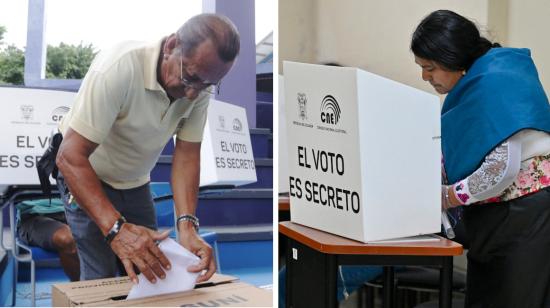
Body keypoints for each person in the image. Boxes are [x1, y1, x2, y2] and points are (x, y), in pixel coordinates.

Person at [54, 13, 240, 284]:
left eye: (206, 85)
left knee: (154, 270)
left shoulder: (198, 86)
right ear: (171, 46)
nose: (192, 94)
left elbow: (187, 154)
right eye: (189, 77)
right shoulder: (119, 68)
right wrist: (116, 229)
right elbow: (69, 157)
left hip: (135, 182)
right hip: (86, 174)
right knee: (101, 279)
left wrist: (186, 226)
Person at [411, 10, 550, 307]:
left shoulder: (496, 83)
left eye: (430, 67)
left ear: (454, 59)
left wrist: (447, 197)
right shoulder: (476, 84)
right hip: (497, 217)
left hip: (521, 216)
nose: (425, 77)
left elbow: (501, 169)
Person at [16, 198, 80, 281]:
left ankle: (95, 289)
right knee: (66, 238)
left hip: (76, 212)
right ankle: (81, 289)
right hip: (33, 216)